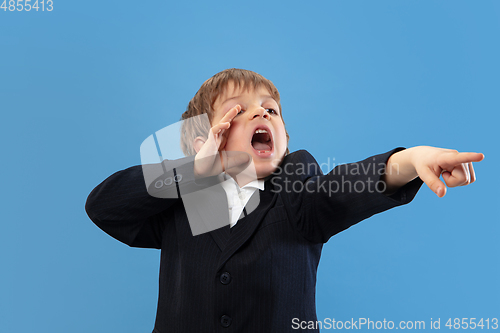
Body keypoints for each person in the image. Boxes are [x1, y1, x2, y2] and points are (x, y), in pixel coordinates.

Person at [85, 68, 483, 333]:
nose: (262, 112)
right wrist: (194, 170)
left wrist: (409, 160)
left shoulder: (298, 189)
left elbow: (343, 188)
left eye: (271, 110)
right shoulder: (180, 200)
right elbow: (105, 207)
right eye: (240, 110)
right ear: (201, 141)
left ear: (285, 140)